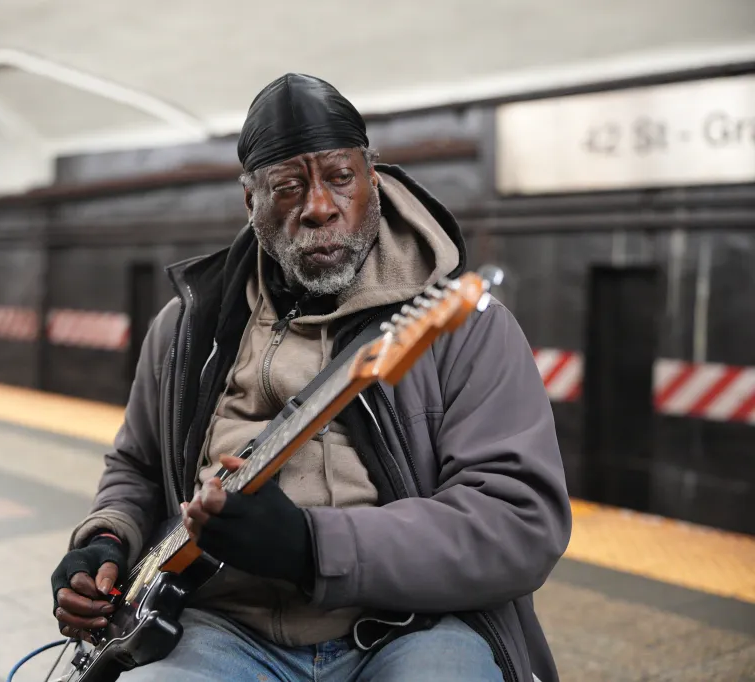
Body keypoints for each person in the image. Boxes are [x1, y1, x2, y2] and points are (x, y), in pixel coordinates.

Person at [51, 73, 572, 682]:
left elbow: (519, 522)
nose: (320, 207)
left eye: (341, 178)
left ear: (372, 180)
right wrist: (108, 540)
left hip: (410, 625)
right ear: (251, 203)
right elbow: (136, 467)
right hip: (221, 627)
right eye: (288, 188)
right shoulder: (185, 328)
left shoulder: (459, 327)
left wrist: (311, 547)